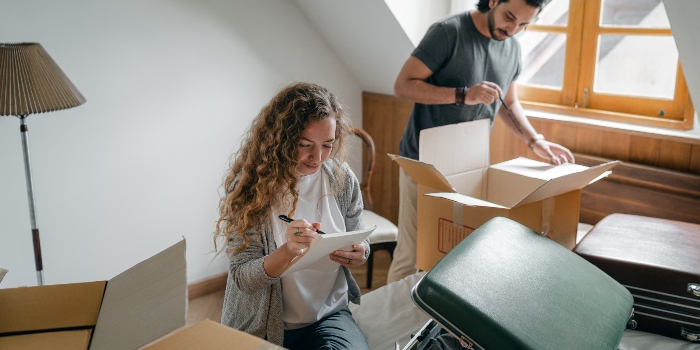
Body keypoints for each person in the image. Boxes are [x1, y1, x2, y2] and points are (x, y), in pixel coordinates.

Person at [387, 0, 576, 283]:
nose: (512, 29)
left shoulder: (512, 47)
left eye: (523, 25)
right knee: (411, 254)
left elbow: (507, 102)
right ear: (492, 1)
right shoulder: (448, 31)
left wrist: (535, 141)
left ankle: (434, 324)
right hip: (423, 164)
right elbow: (403, 85)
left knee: (454, 254)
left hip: (471, 167)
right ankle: (392, 327)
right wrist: (463, 95)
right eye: (509, 17)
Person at [214, 82, 370, 349]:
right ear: (282, 139)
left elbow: (360, 237)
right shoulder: (249, 189)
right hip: (263, 324)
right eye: (304, 144)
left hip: (328, 315)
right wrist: (287, 252)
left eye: (327, 145)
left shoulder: (342, 181)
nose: (317, 157)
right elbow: (242, 277)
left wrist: (360, 252)